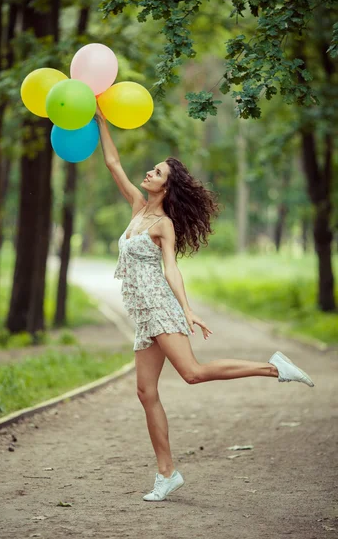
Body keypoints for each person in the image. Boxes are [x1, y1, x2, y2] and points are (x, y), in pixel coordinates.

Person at [95, 106, 314, 503]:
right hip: (143, 316)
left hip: (161, 309)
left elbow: (171, 270)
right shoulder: (136, 207)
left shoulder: (163, 224)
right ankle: (167, 474)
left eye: (157, 173)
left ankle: (273, 367)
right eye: (152, 169)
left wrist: (188, 310)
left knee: (192, 373)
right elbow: (112, 162)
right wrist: (102, 121)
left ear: (166, 187)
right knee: (146, 392)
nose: (149, 173)